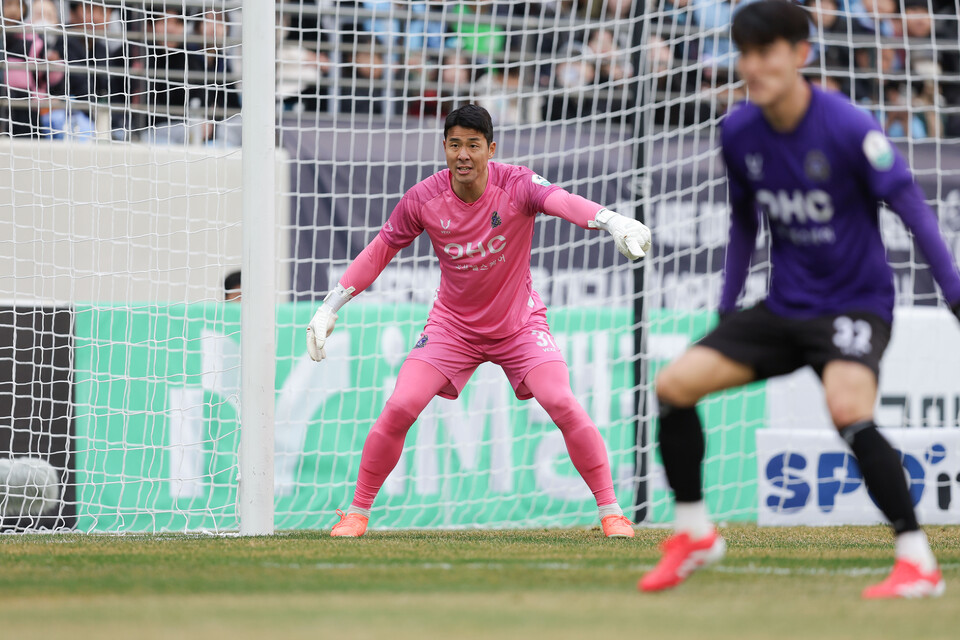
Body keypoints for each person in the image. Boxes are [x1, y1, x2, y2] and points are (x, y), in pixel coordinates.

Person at [640, 0, 960, 598]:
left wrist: (956, 294)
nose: (752, 67)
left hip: (854, 306)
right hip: (784, 308)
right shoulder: (737, 130)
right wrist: (728, 307)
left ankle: (918, 561)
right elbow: (742, 224)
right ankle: (695, 534)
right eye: (744, 55)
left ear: (800, 55)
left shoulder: (847, 127)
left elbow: (913, 209)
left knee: (847, 410)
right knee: (674, 386)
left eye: (765, 53)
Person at [306, 104, 651, 539]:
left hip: (520, 326)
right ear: (444, 148)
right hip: (453, 329)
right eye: (454, 145)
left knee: (562, 403)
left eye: (473, 145)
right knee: (399, 407)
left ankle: (611, 512)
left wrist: (611, 220)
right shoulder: (424, 198)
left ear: (491, 149)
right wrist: (329, 307)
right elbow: (380, 250)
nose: (463, 155)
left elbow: (562, 201)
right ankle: (356, 513)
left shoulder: (517, 183)